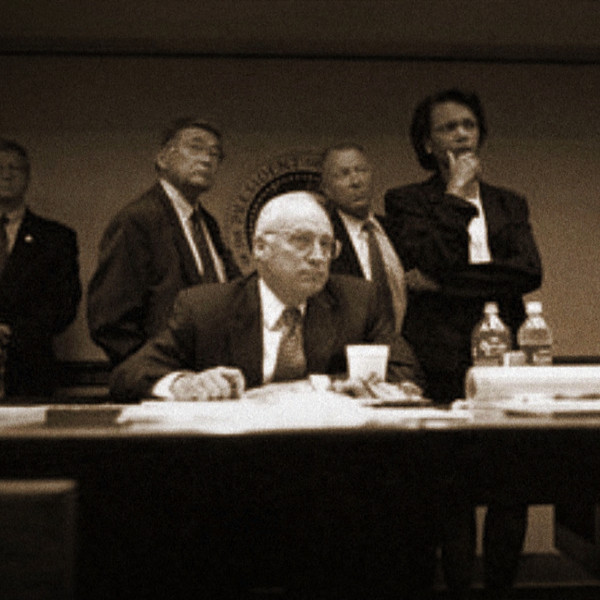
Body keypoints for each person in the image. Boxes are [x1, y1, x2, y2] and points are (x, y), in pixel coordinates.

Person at [385, 89, 543, 599]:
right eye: (448, 127)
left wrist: (448, 283)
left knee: (511, 488)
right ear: (427, 144)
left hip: (509, 363)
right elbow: (427, 258)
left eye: (469, 125)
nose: (461, 134)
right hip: (440, 359)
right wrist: (455, 194)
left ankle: (500, 588)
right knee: (451, 492)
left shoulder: (509, 202)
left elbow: (528, 272)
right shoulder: (406, 201)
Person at [110, 190, 422, 401]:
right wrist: (184, 384)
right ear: (260, 248)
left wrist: (320, 385)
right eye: (302, 241)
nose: (318, 256)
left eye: (326, 245)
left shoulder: (357, 300)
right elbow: (129, 375)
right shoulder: (205, 309)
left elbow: (406, 372)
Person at [87, 117, 240, 366]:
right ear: (163, 158)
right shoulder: (137, 220)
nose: (206, 159)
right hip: (162, 377)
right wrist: (153, 373)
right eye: (196, 147)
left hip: (214, 372)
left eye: (215, 153)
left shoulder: (207, 224)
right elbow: (109, 319)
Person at [0, 139, 81, 396]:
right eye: (0, 167)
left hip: (30, 369)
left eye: (15, 168)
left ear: (28, 177)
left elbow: (64, 304)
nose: (6, 174)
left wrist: (12, 333)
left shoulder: (56, 238)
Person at [320, 143, 406, 332]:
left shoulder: (397, 229)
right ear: (327, 189)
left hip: (404, 343)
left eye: (361, 170)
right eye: (343, 174)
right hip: (349, 343)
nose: (356, 181)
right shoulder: (323, 239)